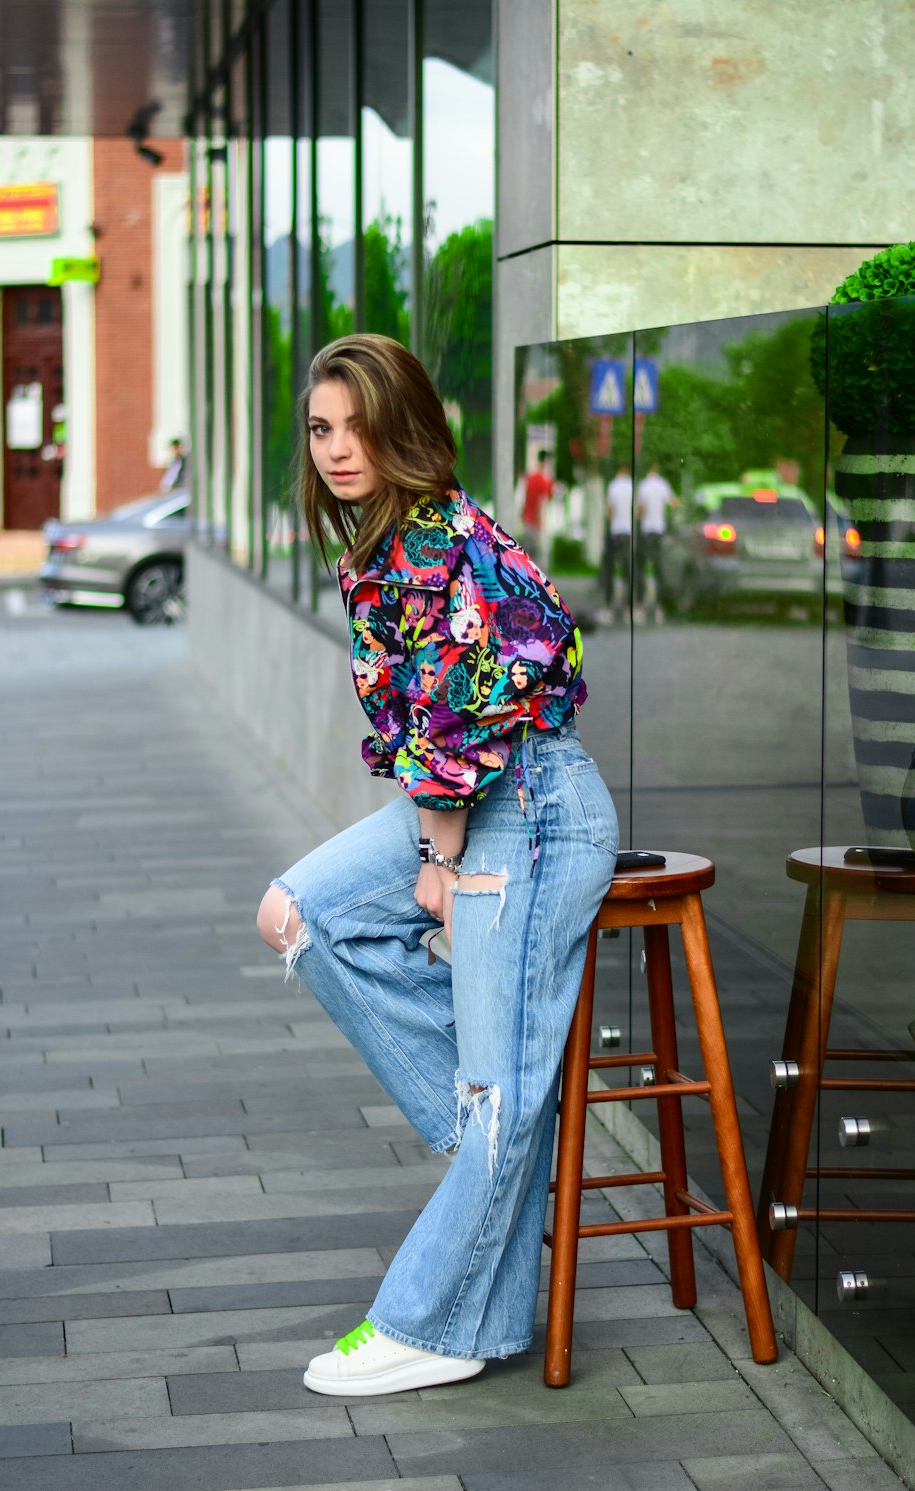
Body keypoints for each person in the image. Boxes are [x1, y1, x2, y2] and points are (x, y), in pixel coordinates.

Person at [256, 334, 618, 1398]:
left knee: (498, 1084)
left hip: (533, 807)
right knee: (298, 915)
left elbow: (481, 695)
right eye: (320, 428)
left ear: (403, 424)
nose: (335, 447)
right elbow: (425, 717)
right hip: (456, 796)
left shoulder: (438, 537)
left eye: (356, 425)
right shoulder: (380, 543)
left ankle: (434, 1319)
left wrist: (442, 853)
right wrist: (432, 831)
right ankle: (493, 1130)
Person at [635, 461, 678, 620]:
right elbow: (673, 503)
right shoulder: (663, 485)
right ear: (657, 468)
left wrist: (640, 519)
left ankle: (640, 606)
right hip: (659, 531)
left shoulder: (643, 486)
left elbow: (639, 509)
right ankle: (659, 607)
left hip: (646, 531)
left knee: (642, 567)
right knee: (658, 569)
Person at [601, 462, 633, 619]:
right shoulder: (633, 487)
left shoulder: (613, 486)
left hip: (615, 532)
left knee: (611, 570)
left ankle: (610, 608)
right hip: (629, 533)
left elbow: (609, 511)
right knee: (628, 571)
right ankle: (628, 609)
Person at [520, 448, 555, 563]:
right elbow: (542, 504)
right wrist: (542, 525)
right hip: (537, 523)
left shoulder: (530, 478)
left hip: (527, 521)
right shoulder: (544, 481)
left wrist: (522, 517)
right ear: (547, 462)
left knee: (527, 556)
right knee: (540, 558)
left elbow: (524, 499)